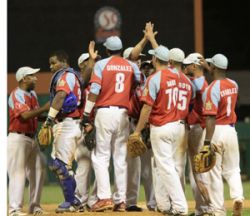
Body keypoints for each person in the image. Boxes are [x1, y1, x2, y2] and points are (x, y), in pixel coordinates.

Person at [81, 36, 142, 212]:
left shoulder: (101, 65)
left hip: (105, 112)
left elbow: (94, 90)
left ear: (107, 50)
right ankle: (121, 201)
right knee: (121, 158)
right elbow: (139, 82)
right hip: (123, 113)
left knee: (100, 156)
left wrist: (86, 114)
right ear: (121, 49)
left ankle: (104, 197)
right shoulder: (132, 65)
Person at [131, 42, 188, 215]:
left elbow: (147, 108)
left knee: (165, 167)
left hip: (162, 126)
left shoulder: (154, 78)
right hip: (179, 126)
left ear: (156, 59)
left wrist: (137, 131)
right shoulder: (183, 78)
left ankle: (180, 207)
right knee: (162, 165)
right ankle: (163, 205)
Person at [46, 50, 89, 213]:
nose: (51, 66)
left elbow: (61, 95)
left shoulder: (65, 76)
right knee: (62, 166)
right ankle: (75, 201)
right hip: (72, 123)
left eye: (54, 62)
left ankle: (70, 202)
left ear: (64, 61)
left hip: (67, 124)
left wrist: (49, 119)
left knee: (60, 165)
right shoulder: (75, 76)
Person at [202, 54, 244, 216]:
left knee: (213, 172)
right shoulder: (234, 84)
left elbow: (211, 117)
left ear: (214, 68)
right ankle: (238, 197)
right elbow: (236, 100)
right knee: (233, 169)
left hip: (216, 130)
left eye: (211, 65)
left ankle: (219, 210)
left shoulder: (211, 88)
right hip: (231, 130)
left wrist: (207, 142)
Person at [7, 66, 49, 216]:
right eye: (32, 76)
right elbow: (25, 116)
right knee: (17, 173)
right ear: (24, 79)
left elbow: (35, 116)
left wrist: (51, 119)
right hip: (17, 138)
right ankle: (14, 209)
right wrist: (44, 108)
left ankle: (35, 206)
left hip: (31, 139)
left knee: (39, 168)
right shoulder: (16, 95)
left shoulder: (32, 94)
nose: (35, 78)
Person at [123, 46, 156, 212]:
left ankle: (152, 202)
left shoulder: (147, 81)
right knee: (130, 165)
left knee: (147, 168)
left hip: (144, 124)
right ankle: (129, 202)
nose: (139, 62)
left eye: (140, 60)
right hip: (127, 123)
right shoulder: (125, 78)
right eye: (136, 59)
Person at [183, 53, 214, 215]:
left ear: (195, 66)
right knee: (201, 170)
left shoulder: (194, 84)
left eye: (188, 64)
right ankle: (205, 208)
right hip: (202, 127)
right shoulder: (206, 83)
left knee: (196, 171)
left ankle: (206, 208)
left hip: (196, 127)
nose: (185, 67)